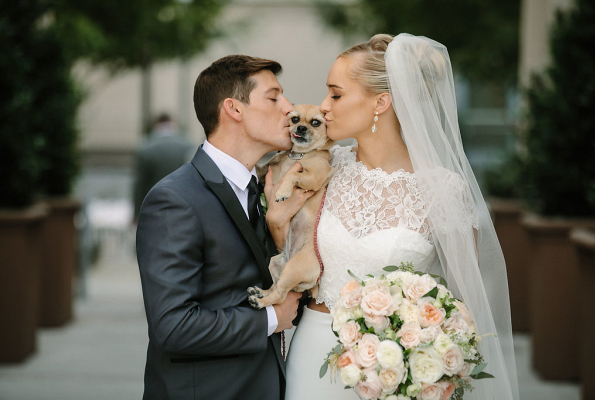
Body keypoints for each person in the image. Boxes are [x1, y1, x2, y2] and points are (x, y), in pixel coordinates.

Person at [282, 34, 519, 399]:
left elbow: (465, 303)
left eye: (336, 94)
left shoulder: (444, 190)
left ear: (381, 101)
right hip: (314, 359)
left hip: (400, 374)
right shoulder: (322, 171)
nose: (324, 107)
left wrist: (431, 358)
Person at [136, 55, 312, 400]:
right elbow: (172, 327)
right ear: (234, 109)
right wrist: (271, 319)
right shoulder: (174, 199)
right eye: (274, 98)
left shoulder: (268, 189)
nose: (289, 109)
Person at [132, 113, 195, 222]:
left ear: (154, 125)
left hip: (155, 209)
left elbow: (140, 185)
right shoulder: (189, 146)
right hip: (184, 209)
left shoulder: (145, 148)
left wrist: (136, 213)